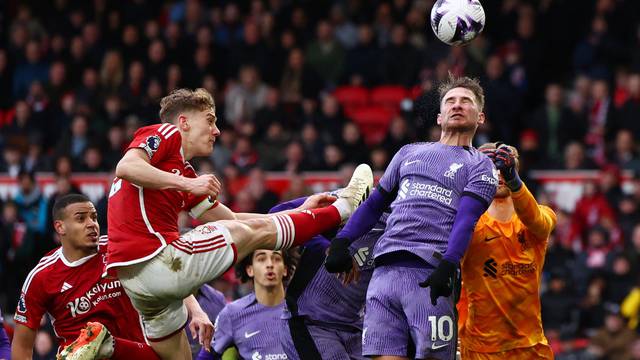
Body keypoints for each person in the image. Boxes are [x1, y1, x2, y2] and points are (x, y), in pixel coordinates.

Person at [105, 88, 373, 359]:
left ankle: (109, 347)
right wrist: (190, 183)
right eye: (210, 120)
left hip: (138, 284)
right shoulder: (167, 134)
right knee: (245, 233)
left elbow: (231, 218)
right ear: (184, 122)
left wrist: (299, 212)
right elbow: (126, 167)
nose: (217, 130)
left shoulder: (180, 172)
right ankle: (343, 208)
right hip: (155, 259)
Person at [325, 74, 498, 360]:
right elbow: (375, 203)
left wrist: (448, 264)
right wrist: (342, 241)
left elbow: (466, 220)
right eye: (450, 101)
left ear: (480, 117)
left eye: (466, 102)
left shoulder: (481, 166)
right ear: (440, 116)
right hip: (383, 275)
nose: (457, 105)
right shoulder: (408, 152)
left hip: (429, 276)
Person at [10, 194, 171, 360]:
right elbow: (22, 345)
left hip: (133, 353)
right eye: (81, 219)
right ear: (60, 227)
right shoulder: (42, 276)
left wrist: (196, 312)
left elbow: (170, 273)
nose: (91, 224)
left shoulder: (117, 249)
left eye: (94, 217)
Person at [457, 142, 556, 359]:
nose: (499, 175)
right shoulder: (468, 223)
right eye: (492, 169)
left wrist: (514, 182)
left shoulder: (540, 215)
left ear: (515, 171)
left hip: (531, 346)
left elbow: (538, 222)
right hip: (481, 347)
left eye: (505, 169)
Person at [272, 196, 386, 360]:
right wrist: (329, 248)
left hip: (356, 327)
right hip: (310, 323)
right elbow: (277, 214)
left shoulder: (411, 223)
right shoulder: (356, 198)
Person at [197, 249, 293, 360]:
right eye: (261, 259)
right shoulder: (232, 313)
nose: (270, 265)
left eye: (276, 259)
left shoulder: (303, 309)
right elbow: (205, 356)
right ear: (250, 270)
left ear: (285, 269)